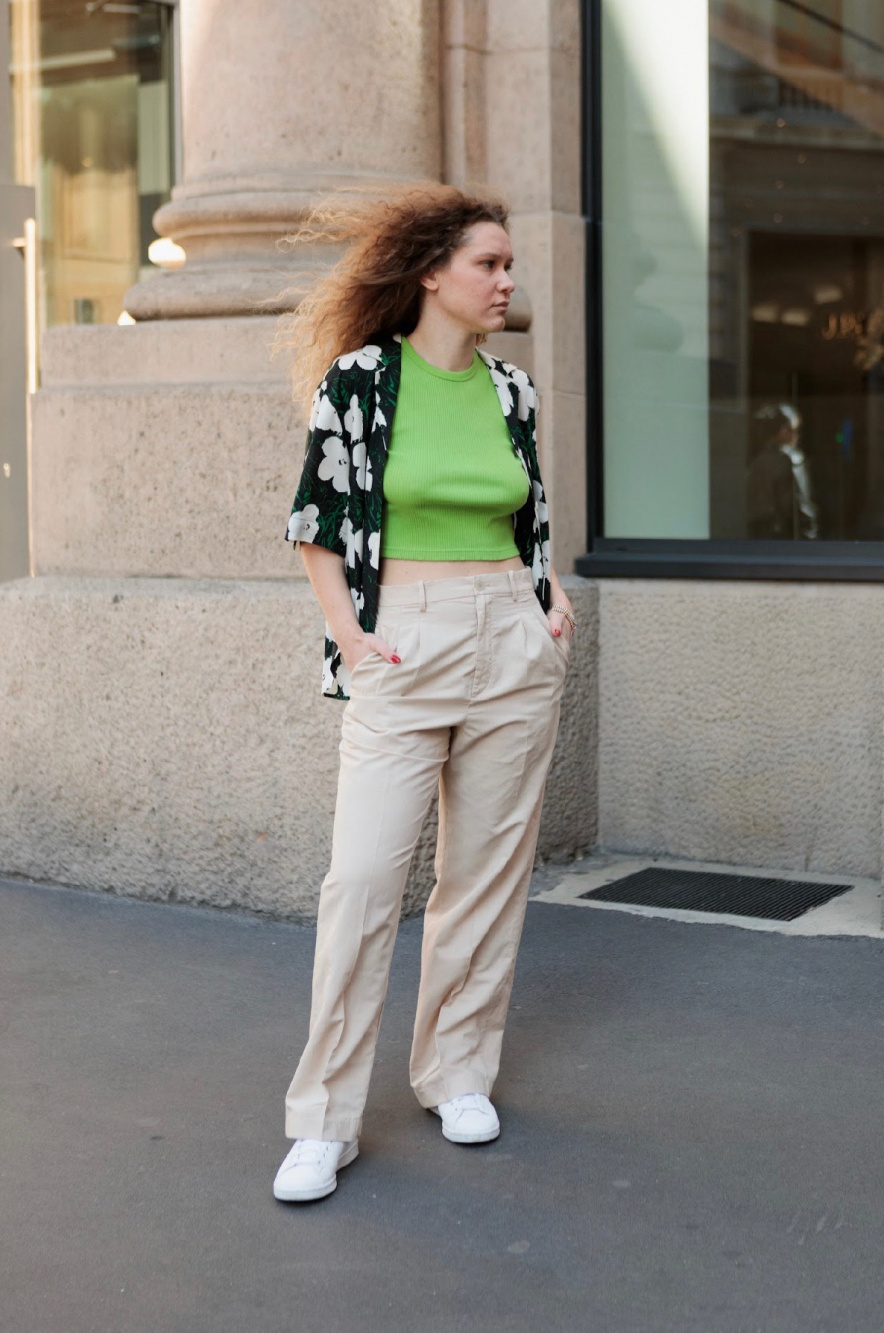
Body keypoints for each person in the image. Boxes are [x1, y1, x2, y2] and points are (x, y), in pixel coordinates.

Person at [273, 184, 576, 1203]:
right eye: (488, 263)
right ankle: (323, 1120)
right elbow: (316, 521)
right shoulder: (360, 382)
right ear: (431, 274)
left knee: (483, 876)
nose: (505, 281)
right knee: (362, 881)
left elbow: (522, 518)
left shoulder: (512, 393)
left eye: (506, 264)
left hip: (509, 640)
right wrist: (352, 637)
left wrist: (547, 595)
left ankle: (456, 1071)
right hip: (400, 643)